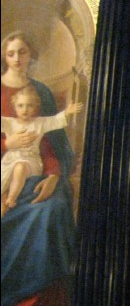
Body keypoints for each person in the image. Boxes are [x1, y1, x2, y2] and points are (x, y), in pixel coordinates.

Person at [1, 31, 77, 306]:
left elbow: (54, 142)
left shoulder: (42, 93)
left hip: (36, 171)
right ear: (4, 56)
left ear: (31, 56)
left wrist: (54, 175)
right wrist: (8, 144)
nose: (17, 58)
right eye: (11, 53)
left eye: (23, 52)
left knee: (52, 209)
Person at [2, 86, 83, 216]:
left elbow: (55, 121)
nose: (25, 109)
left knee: (20, 168)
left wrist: (67, 112)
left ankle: (12, 197)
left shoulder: (40, 123)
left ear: (36, 108)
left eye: (29, 106)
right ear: (14, 107)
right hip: (10, 159)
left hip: (30, 161)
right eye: (20, 105)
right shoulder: (10, 123)